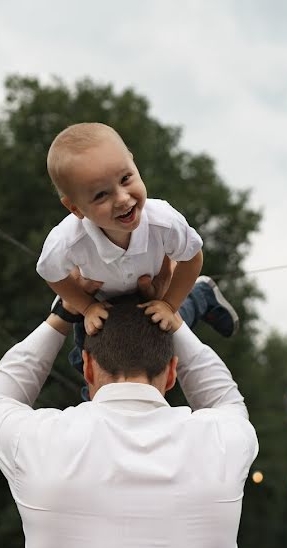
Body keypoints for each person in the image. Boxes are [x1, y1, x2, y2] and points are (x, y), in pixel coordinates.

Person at [0, 283, 258, 548]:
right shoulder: (221, 441)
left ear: (88, 368)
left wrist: (61, 316)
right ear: (173, 371)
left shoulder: (41, 441)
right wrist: (175, 324)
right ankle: (195, 299)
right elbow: (227, 400)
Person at [37, 122, 237, 397]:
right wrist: (85, 307)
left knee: (163, 326)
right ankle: (200, 296)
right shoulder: (67, 240)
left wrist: (168, 304)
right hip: (102, 303)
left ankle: (199, 297)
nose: (122, 198)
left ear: (132, 161)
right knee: (85, 363)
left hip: (153, 290)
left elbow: (192, 258)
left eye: (126, 179)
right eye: (100, 195)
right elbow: (50, 273)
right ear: (75, 208)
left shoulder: (163, 221)